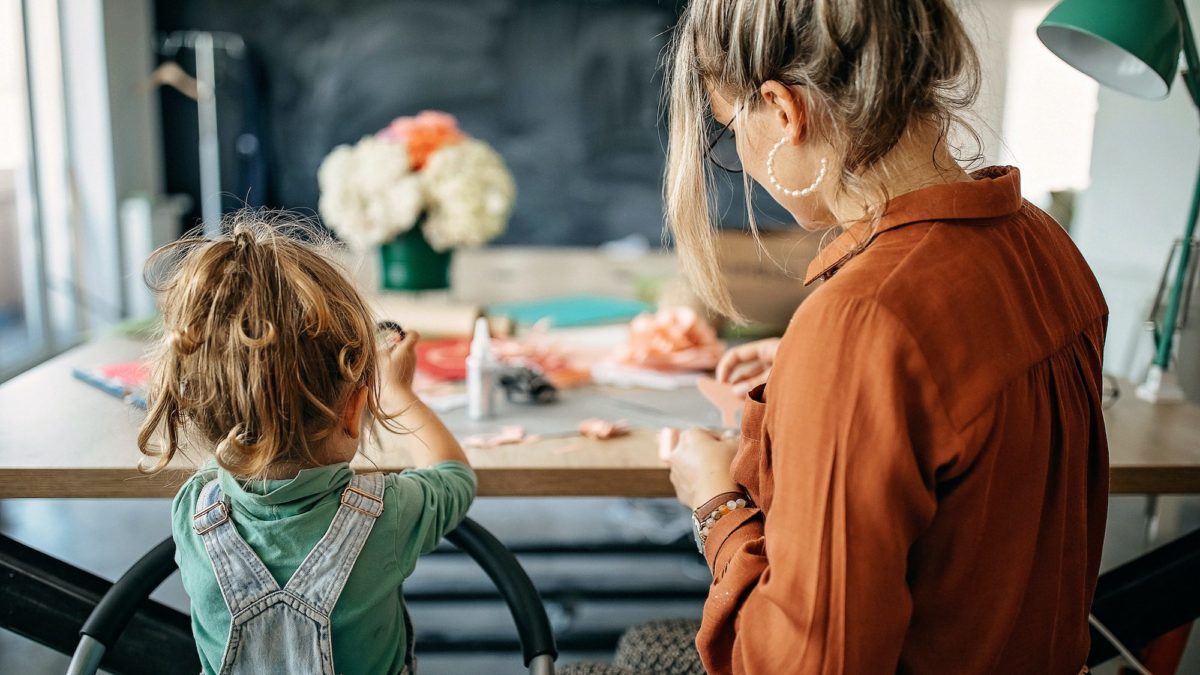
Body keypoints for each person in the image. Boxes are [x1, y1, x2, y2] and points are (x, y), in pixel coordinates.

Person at [659, 0, 1109, 673]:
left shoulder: (862, 321)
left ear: (784, 113)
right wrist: (823, 376)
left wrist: (715, 504)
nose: (743, 160)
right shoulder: (1043, 244)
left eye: (732, 128)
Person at [137, 214, 475, 674]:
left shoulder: (193, 510)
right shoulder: (390, 512)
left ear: (195, 404)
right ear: (355, 410)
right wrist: (399, 393)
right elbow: (454, 475)